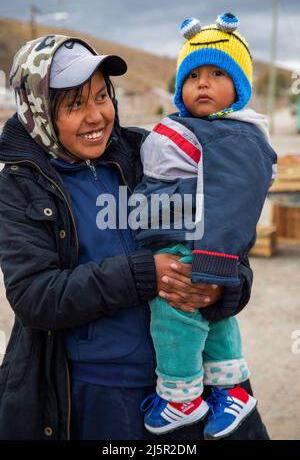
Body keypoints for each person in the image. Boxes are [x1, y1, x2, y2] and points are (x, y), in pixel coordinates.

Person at [0, 33, 264, 441]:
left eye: (101, 97)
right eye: (74, 105)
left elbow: (225, 233)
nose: (96, 116)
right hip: (97, 396)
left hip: (191, 389)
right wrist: (145, 274)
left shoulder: (151, 151)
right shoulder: (20, 187)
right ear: (38, 112)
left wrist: (219, 288)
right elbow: (36, 296)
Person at [135, 13, 277, 440]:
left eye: (218, 73)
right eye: (193, 74)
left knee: (174, 312)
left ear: (240, 86)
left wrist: (214, 264)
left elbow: (234, 204)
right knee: (214, 322)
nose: (203, 82)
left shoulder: (234, 135)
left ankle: (180, 396)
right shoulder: (208, 130)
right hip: (192, 239)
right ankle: (231, 389)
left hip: (193, 247)